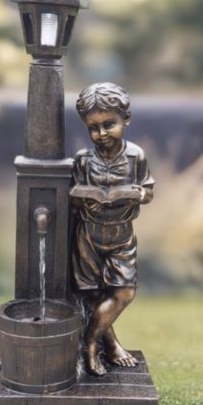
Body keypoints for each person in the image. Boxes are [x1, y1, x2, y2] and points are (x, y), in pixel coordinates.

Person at [70, 82, 154, 376]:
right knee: (93, 294)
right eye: (93, 128)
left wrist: (140, 194)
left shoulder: (136, 156)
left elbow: (148, 189)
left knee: (123, 293)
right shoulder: (83, 159)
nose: (101, 134)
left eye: (109, 124)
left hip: (121, 237)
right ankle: (106, 346)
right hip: (89, 236)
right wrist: (81, 199)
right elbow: (75, 196)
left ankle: (90, 341)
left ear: (126, 119)